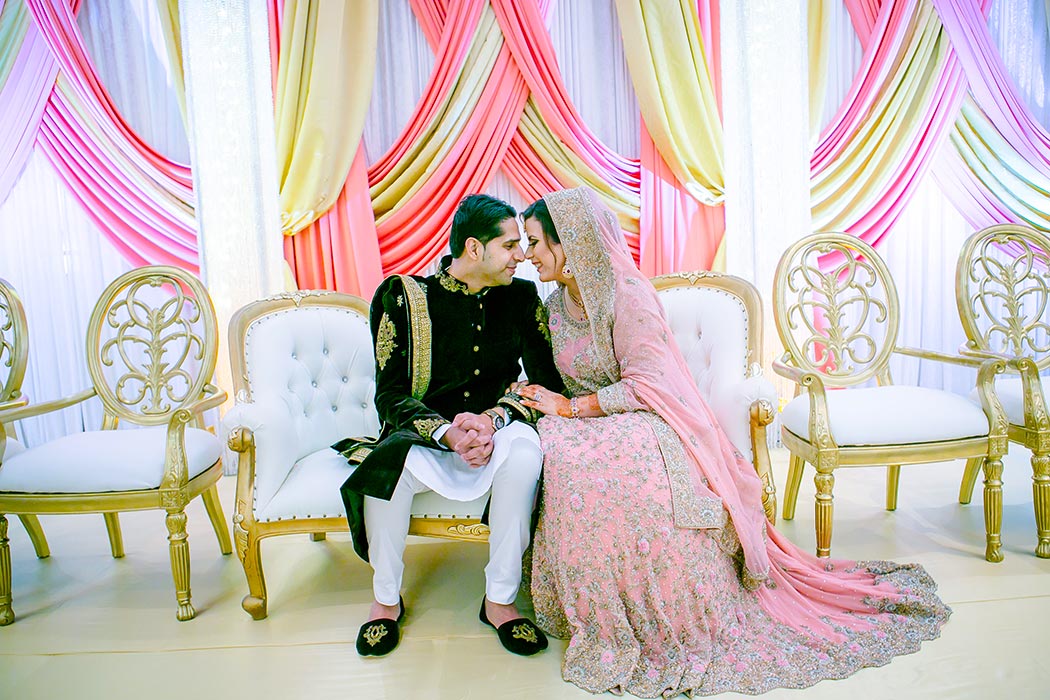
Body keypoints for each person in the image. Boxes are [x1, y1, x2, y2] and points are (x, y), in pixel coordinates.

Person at [516, 186, 950, 697]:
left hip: (646, 416)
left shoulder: (626, 295)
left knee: (627, 485)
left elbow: (648, 384)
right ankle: (600, 609)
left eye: (537, 242)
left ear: (572, 244)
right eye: (524, 243)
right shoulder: (556, 303)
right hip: (588, 425)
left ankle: (674, 613)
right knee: (570, 470)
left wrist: (572, 408)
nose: (528, 254)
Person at [334, 194, 564, 658]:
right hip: (426, 436)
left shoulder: (520, 297)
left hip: (496, 428)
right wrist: (448, 433)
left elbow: (544, 381)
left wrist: (494, 418)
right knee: (388, 466)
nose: (521, 254)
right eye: (511, 245)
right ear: (474, 249)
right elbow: (390, 396)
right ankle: (385, 599)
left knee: (525, 456)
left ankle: (500, 601)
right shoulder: (402, 297)